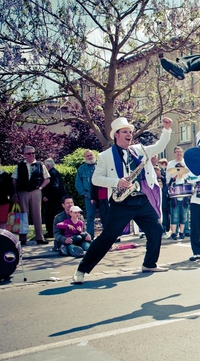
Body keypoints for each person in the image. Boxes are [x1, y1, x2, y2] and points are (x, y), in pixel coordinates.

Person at [72, 116, 172, 284]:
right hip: (121, 202)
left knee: (156, 228)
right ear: (116, 135)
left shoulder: (139, 150)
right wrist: (117, 182)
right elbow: (96, 179)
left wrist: (167, 130)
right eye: (125, 132)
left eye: (130, 132)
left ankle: (149, 264)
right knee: (108, 237)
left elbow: (159, 146)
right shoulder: (105, 156)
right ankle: (81, 270)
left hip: (139, 198)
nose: (129, 135)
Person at [12, 146, 50, 245]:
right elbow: (14, 179)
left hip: (35, 191)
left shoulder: (40, 165)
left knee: (37, 214)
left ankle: (39, 238)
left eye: (33, 153)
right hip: (22, 192)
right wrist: (15, 193)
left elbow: (47, 178)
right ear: (25, 155)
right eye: (29, 153)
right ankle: (23, 238)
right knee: (24, 215)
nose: (31, 155)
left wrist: (41, 188)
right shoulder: (19, 165)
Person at [75, 150, 106, 239]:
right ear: (85, 158)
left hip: (101, 195)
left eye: (91, 155)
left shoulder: (100, 166)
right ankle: (90, 236)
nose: (89, 157)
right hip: (88, 196)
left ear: (94, 155)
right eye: (87, 156)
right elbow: (78, 183)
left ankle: (106, 235)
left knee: (104, 216)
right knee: (90, 217)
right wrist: (84, 193)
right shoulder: (81, 169)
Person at [166, 147, 190, 239]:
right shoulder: (170, 164)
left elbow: (189, 176)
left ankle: (184, 231)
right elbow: (168, 178)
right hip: (175, 193)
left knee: (185, 214)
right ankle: (174, 232)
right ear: (174, 153)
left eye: (180, 152)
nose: (179, 153)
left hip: (184, 192)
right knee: (174, 214)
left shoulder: (186, 162)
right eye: (177, 152)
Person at [42, 158, 67, 239]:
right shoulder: (55, 172)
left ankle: (51, 232)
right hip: (57, 199)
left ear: (48, 166)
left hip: (54, 199)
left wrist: (47, 196)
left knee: (50, 216)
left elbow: (54, 186)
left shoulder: (52, 173)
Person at [157, 158, 171, 235]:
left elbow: (166, 181)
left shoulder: (166, 171)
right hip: (160, 194)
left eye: (161, 164)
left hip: (164, 195)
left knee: (165, 212)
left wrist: (161, 176)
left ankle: (165, 228)